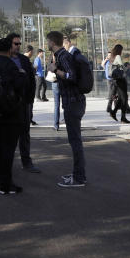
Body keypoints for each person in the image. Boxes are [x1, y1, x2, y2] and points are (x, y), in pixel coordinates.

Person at [0, 37, 27, 195]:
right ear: (9, 49)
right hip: (11, 111)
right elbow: (19, 86)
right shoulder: (11, 65)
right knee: (8, 147)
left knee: (0, 143)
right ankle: (5, 184)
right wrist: (22, 75)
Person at [46, 31, 87, 188]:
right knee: (74, 140)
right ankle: (77, 173)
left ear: (52, 42)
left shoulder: (63, 56)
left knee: (75, 141)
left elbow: (72, 76)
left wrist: (55, 70)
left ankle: (79, 177)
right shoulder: (62, 55)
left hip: (73, 102)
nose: (47, 44)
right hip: (73, 102)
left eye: (48, 41)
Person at [8, 34, 39, 173]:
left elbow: (32, 80)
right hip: (8, 104)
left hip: (24, 102)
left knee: (25, 133)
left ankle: (26, 162)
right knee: (9, 135)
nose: (18, 46)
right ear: (9, 44)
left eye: (19, 43)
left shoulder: (24, 60)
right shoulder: (3, 60)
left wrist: (30, 100)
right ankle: (5, 164)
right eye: (16, 43)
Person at [106, 44, 130, 124]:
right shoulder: (118, 57)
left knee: (121, 98)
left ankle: (114, 112)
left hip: (115, 80)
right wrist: (127, 67)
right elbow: (122, 68)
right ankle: (123, 118)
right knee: (124, 98)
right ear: (119, 50)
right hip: (121, 80)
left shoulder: (111, 58)